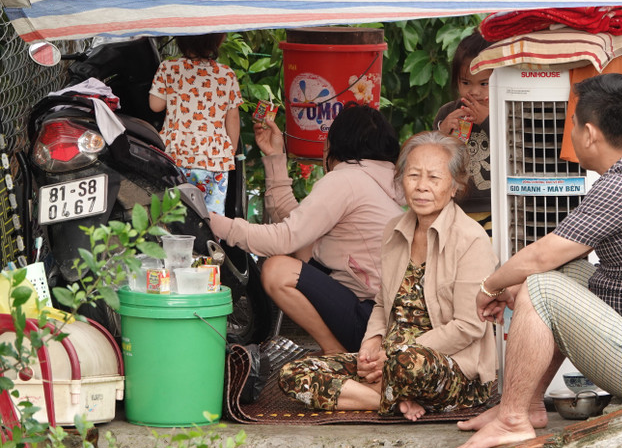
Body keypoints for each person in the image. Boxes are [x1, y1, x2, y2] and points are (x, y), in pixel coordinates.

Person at [449, 74, 622, 448]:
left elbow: (540, 255)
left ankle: (512, 420)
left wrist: (489, 287)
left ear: (589, 134)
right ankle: (529, 406)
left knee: (540, 285)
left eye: (571, 124)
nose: (568, 133)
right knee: (554, 278)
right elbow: (552, 261)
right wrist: (510, 285)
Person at [277, 131, 498, 421]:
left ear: (455, 185)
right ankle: (390, 399)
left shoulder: (471, 239)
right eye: (413, 175)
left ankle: (382, 391)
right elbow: (382, 304)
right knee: (294, 373)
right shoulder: (394, 230)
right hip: (388, 359)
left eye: (434, 178)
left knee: (409, 365)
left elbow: (468, 327)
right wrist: (371, 345)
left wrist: (394, 356)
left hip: (443, 365)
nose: (421, 187)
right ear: (401, 180)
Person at [208, 105, 404, 355]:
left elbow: (285, 237)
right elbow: (297, 224)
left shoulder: (347, 180)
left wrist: (212, 222)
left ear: (336, 144)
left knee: (277, 270)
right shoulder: (377, 181)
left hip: (369, 320)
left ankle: (336, 354)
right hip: (386, 321)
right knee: (303, 245)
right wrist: (275, 156)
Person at [149, 33, 242, 214]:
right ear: (219, 40)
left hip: (176, 154)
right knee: (211, 217)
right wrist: (230, 150)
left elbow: (155, 105)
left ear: (180, 39)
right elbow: (233, 118)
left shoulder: (169, 68)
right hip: (215, 158)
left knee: (172, 214)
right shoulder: (227, 74)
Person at [434, 31, 493, 231]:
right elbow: (433, 156)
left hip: (494, 206)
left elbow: (514, 146)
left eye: (484, 83)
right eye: (465, 82)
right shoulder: (447, 112)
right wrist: (442, 133)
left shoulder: (504, 112)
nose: (474, 91)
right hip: (455, 207)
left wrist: (487, 120)